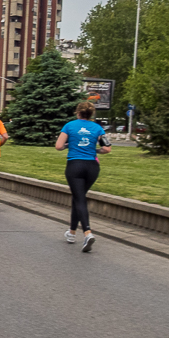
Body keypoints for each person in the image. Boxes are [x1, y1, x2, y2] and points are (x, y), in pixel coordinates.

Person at [55, 101, 111, 252]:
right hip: (92, 167)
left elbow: (59, 146)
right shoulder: (98, 128)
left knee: (79, 198)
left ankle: (87, 232)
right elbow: (107, 148)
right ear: (91, 114)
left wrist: (70, 145)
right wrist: (95, 151)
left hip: (75, 166)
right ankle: (72, 233)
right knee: (78, 197)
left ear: (78, 112)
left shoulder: (69, 126)